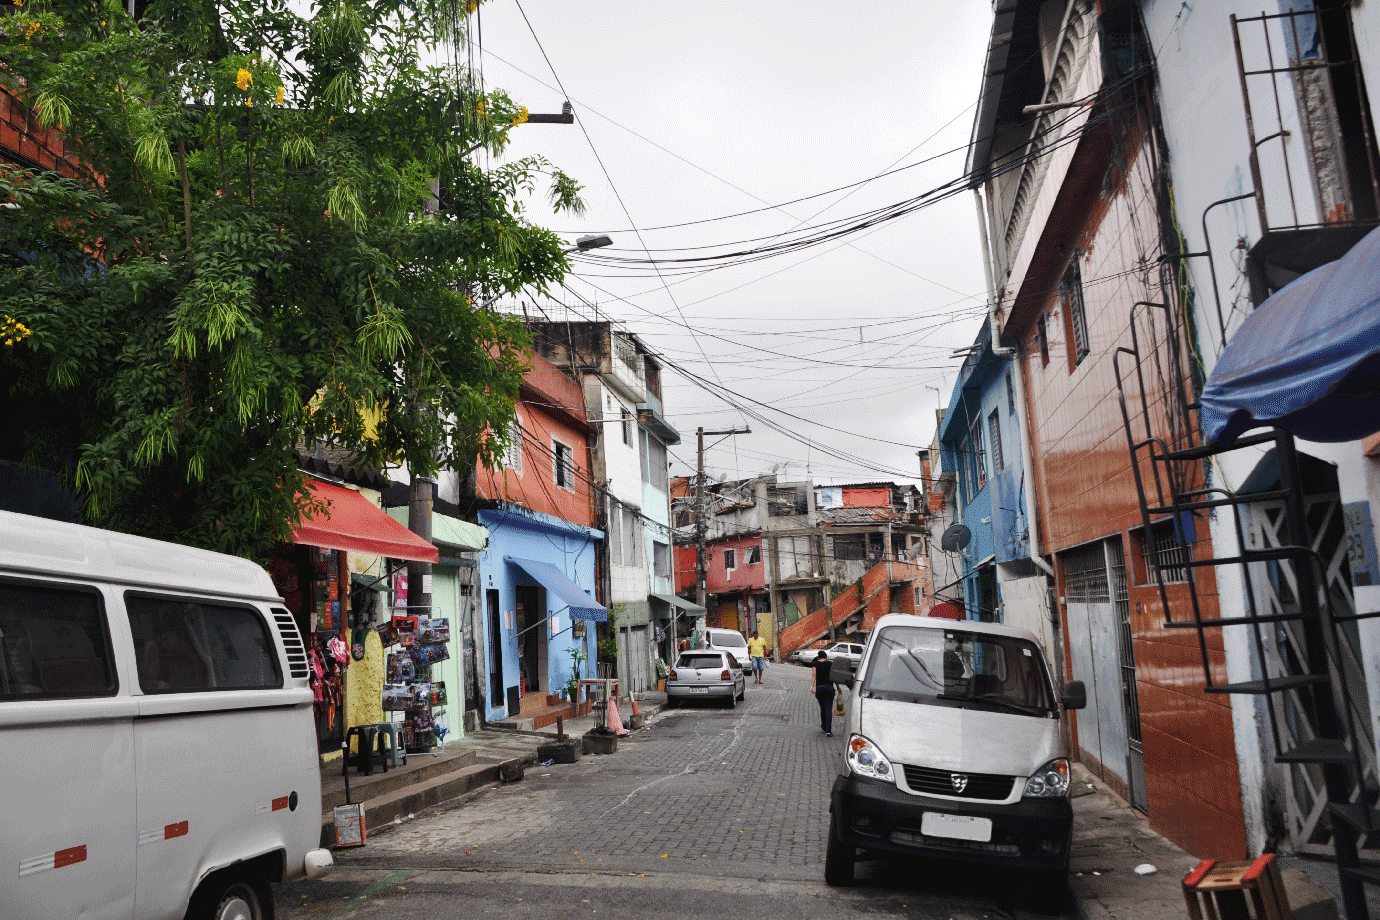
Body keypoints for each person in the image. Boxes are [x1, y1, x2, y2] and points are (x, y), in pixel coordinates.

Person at [810, 649, 838, 736]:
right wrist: (838, 687)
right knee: (828, 709)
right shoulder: (830, 664)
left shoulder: (815, 664)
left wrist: (812, 686)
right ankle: (829, 730)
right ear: (826, 657)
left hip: (820, 689)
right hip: (829, 688)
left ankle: (824, 725)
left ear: (818, 657)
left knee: (822, 708)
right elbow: (834, 676)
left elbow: (814, 675)